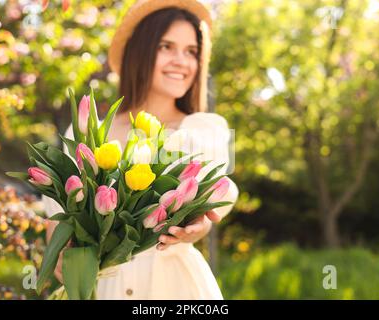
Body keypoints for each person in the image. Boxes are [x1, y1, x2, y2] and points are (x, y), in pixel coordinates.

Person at [42, 0, 239, 299]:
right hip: (103, 285)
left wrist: (199, 228)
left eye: (191, 52)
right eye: (166, 47)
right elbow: (58, 214)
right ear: (141, 51)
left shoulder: (200, 131)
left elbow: (214, 197)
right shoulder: (90, 131)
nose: (181, 61)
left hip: (171, 286)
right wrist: (60, 252)